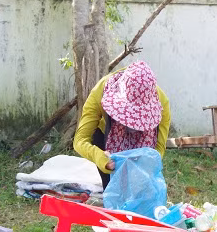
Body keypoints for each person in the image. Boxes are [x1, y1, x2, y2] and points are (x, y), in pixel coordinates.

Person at [73, 60, 171, 188]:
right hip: (107, 142)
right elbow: (79, 141)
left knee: (138, 190)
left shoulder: (162, 103)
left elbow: (159, 147)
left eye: (139, 117)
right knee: (112, 188)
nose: (132, 125)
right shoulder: (100, 92)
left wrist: (147, 164)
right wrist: (100, 157)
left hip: (144, 142)